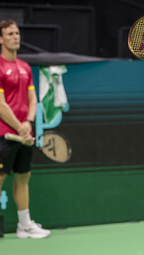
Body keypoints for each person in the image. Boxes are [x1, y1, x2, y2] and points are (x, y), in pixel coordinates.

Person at [0, 19, 51, 239]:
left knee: (23, 177)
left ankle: (24, 225)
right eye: (10, 34)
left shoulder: (25, 67)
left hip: (23, 134)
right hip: (4, 134)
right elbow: (1, 105)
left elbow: (32, 98)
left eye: (17, 33)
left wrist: (28, 123)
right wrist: (20, 127)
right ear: (1, 39)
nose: (16, 37)